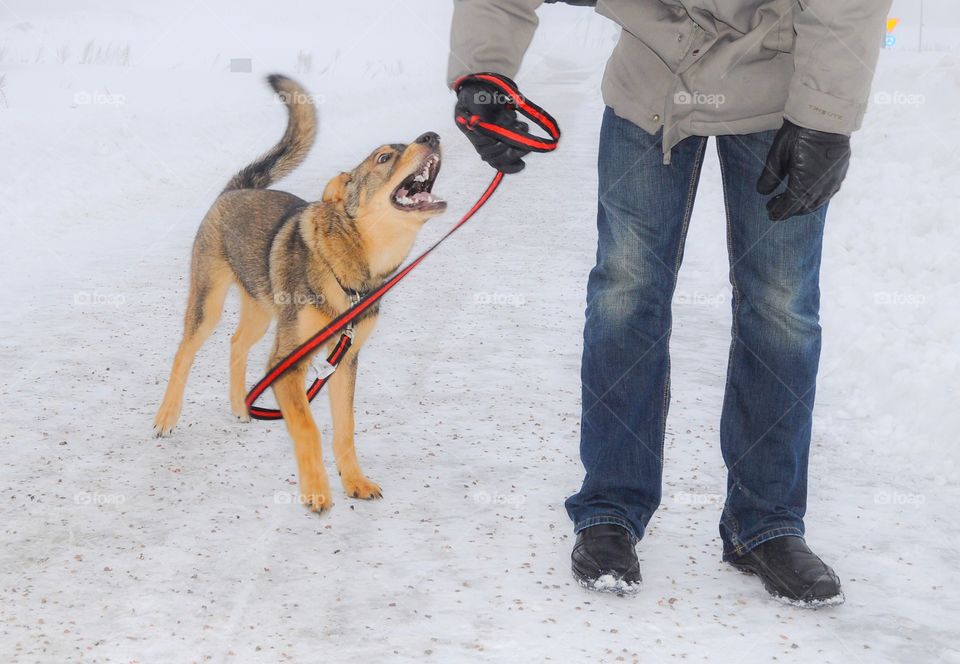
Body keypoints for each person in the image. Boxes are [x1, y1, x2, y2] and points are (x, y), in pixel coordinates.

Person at [448, 0, 891, 605]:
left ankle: (766, 523)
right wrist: (483, 72)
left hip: (783, 91)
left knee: (780, 307)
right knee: (625, 295)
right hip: (650, 84)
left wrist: (825, 117)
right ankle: (610, 507)